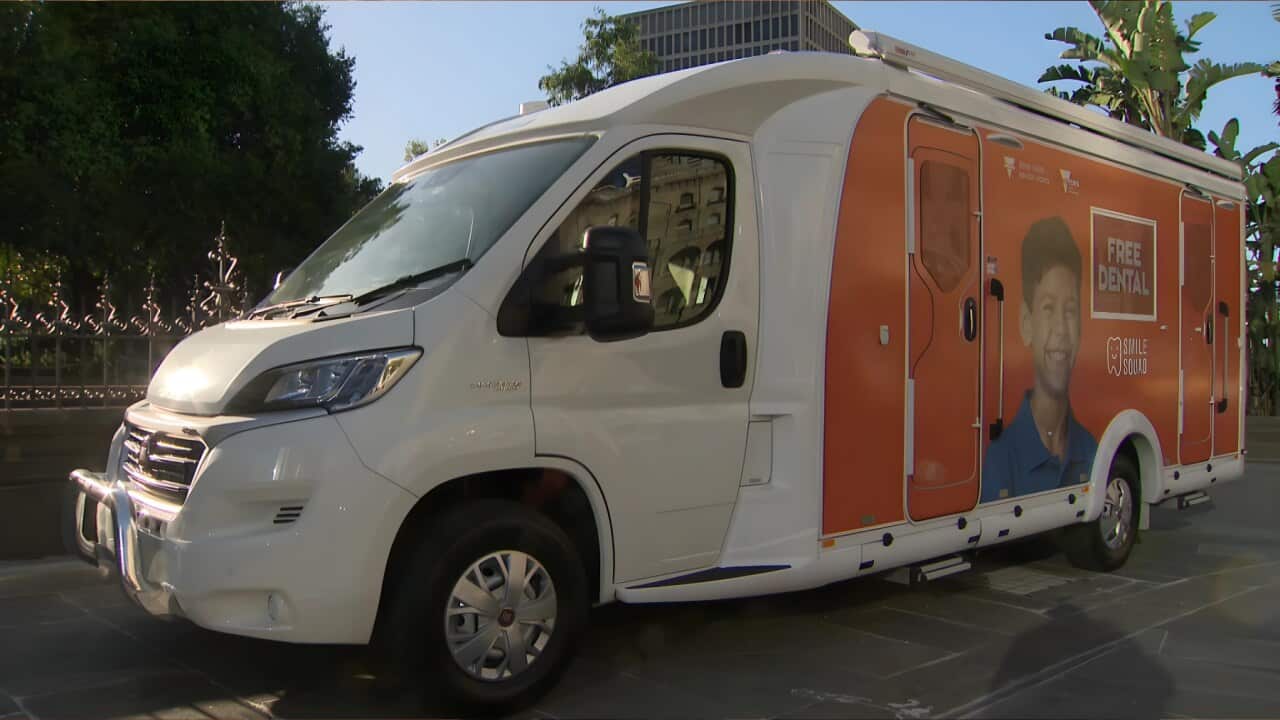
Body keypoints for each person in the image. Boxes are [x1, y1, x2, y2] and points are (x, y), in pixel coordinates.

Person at [981, 216, 1097, 503]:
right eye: (1048, 308)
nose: (1061, 328)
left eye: (1070, 310)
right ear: (1026, 323)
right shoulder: (998, 462)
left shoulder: (1092, 450)